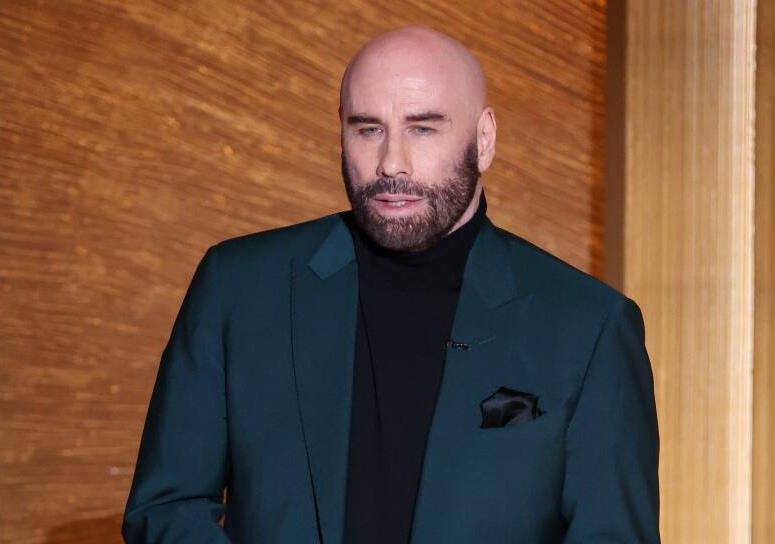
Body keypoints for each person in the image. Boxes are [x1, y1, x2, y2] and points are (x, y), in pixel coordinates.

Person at [122, 25, 660, 544]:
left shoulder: (589, 325)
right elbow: (167, 508)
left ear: (484, 140)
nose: (391, 163)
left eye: (423, 128)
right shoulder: (238, 287)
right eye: (368, 129)